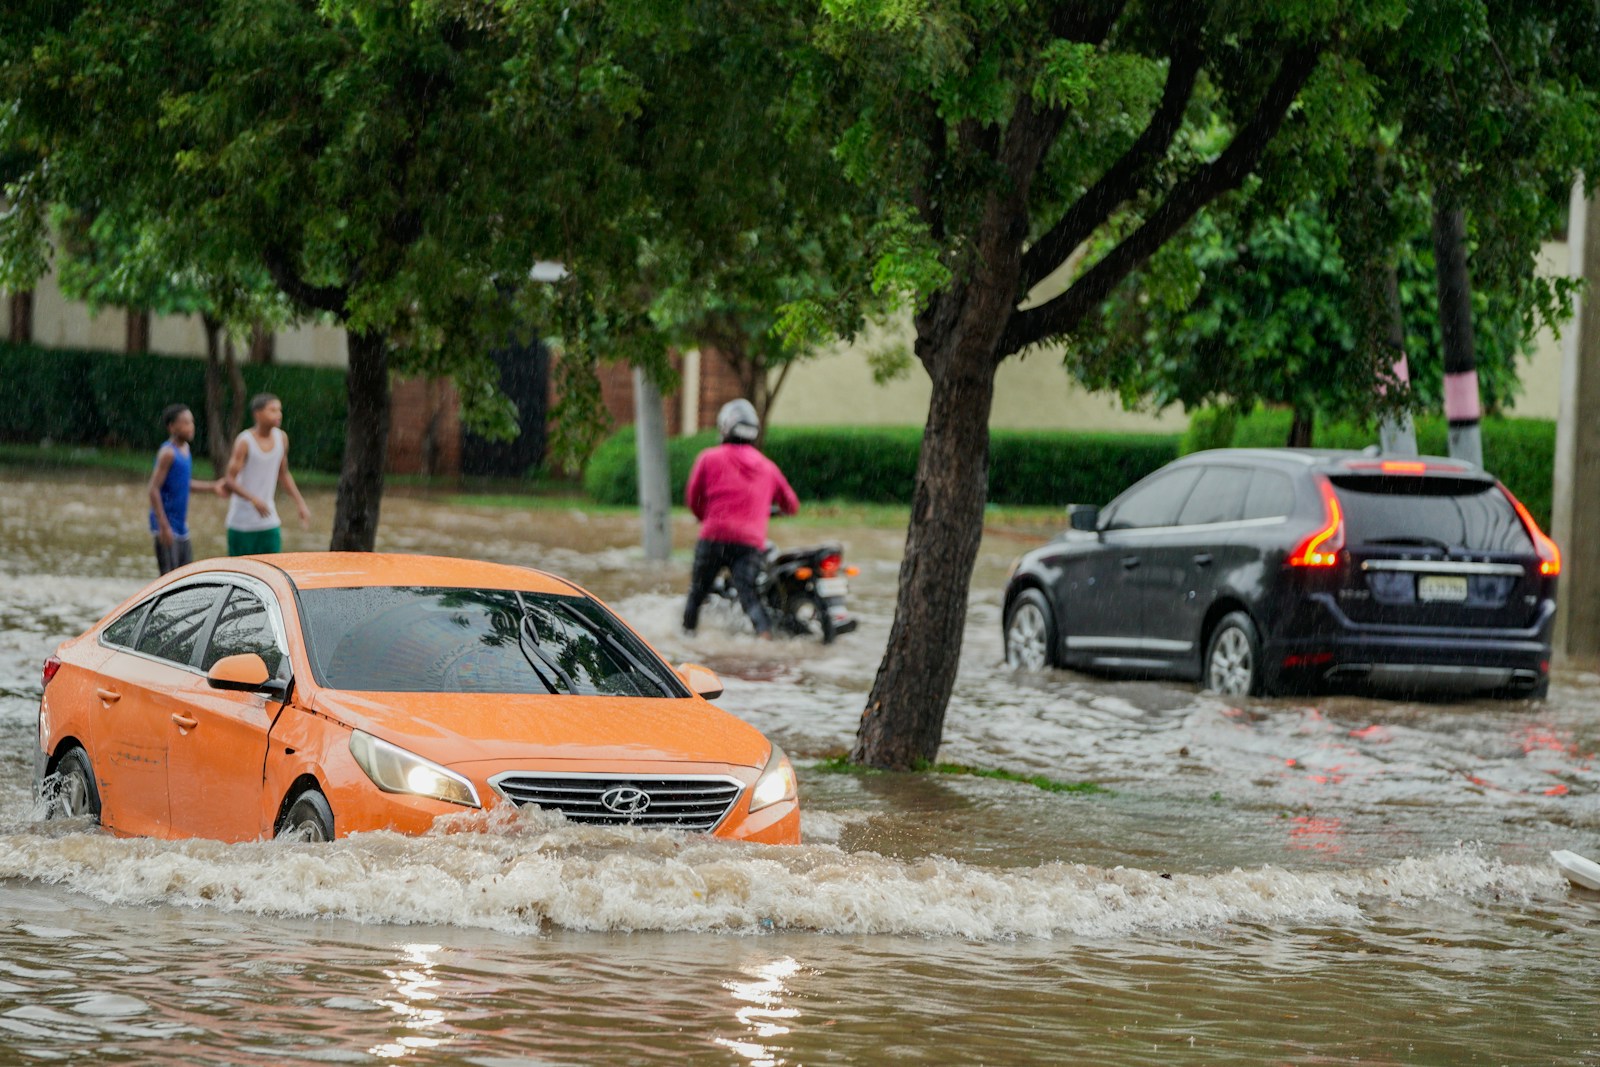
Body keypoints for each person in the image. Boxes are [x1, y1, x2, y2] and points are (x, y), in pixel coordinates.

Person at [683, 399, 799, 638]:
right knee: (749, 595)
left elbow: (693, 499)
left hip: (713, 537)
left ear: (724, 427)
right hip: (750, 544)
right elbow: (792, 505)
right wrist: (772, 510)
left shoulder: (708, 458)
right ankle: (765, 636)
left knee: (697, 593)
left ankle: (686, 636)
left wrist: (705, 517)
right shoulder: (768, 466)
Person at [224, 393, 310, 556]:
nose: (278, 414)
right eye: (272, 410)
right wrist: (254, 500)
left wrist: (300, 503)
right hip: (241, 524)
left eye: (279, 410)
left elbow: (283, 474)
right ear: (258, 414)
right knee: (242, 574)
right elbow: (229, 479)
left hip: (269, 521)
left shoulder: (282, 438)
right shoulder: (245, 441)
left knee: (273, 570)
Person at [147, 404, 224, 575]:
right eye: (185, 423)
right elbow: (153, 489)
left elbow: (184, 484)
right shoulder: (168, 453)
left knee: (185, 575)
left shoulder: (185, 450)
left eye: (192, 422)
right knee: (169, 578)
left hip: (180, 526)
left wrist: (213, 487)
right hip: (166, 525)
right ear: (172, 427)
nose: (191, 427)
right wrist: (164, 526)